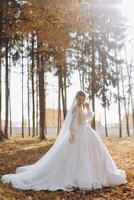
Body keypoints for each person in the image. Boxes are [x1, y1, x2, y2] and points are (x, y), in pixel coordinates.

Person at [1, 90, 127, 191]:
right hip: (78, 133)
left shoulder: (83, 107)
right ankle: (78, 176)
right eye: (80, 99)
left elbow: (87, 118)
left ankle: (98, 174)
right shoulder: (75, 109)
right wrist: (72, 135)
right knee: (77, 156)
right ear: (76, 99)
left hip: (87, 132)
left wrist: (88, 108)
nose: (81, 101)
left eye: (83, 99)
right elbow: (71, 124)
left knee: (92, 154)